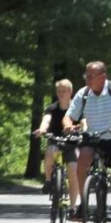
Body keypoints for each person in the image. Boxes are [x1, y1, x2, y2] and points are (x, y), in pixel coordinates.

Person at [66, 61, 111, 223]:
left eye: (91, 76)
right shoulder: (83, 94)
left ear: (103, 76)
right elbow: (69, 115)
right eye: (86, 76)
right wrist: (67, 125)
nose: (88, 79)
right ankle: (83, 204)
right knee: (82, 159)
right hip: (95, 136)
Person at [33, 78, 81, 209]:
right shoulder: (52, 108)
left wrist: (83, 129)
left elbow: (84, 122)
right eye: (59, 91)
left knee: (73, 169)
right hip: (56, 141)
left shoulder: (76, 109)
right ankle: (48, 180)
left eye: (64, 91)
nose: (61, 94)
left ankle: (72, 206)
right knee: (50, 152)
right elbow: (46, 120)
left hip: (72, 144)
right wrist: (42, 129)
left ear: (70, 92)